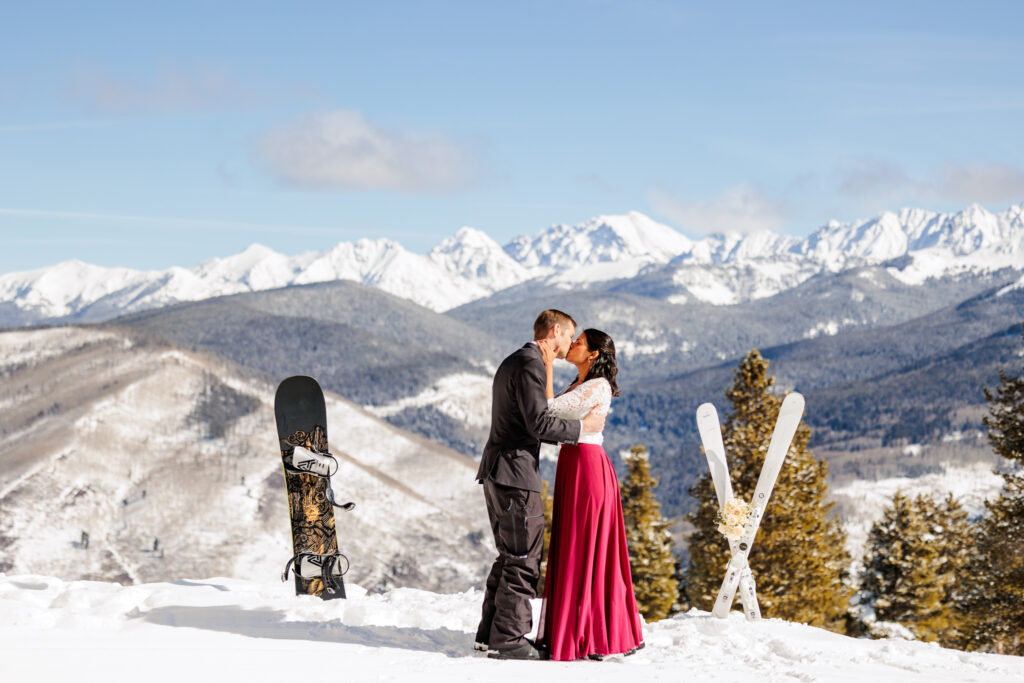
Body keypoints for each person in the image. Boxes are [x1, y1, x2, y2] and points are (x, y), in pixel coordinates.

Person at [475, 309, 607, 661]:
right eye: (569, 337)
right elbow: (538, 423)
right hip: (516, 475)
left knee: (508, 556)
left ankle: (489, 633)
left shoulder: (514, 360)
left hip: (497, 470)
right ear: (555, 331)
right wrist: (583, 431)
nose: (568, 346)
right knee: (524, 558)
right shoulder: (531, 363)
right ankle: (511, 640)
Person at [537, 328, 644, 661]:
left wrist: (547, 365)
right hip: (574, 465)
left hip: (587, 467)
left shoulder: (596, 386)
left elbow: (549, 409)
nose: (572, 345)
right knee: (575, 546)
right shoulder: (582, 385)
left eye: (579, 342)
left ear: (594, 354)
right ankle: (576, 630)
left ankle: (591, 634)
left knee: (586, 547)